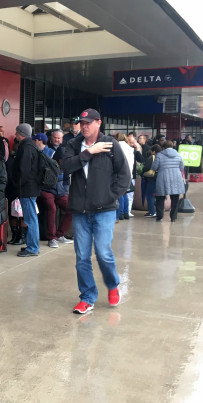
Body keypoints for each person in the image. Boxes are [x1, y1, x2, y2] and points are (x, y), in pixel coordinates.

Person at [62, 108, 130, 315]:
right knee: (82, 257)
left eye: (88, 123)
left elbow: (125, 175)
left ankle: (112, 284)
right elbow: (66, 167)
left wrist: (110, 197)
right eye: (81, 123)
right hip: (80, 211)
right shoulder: (73, 145)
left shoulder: (111, 145)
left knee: (103, 253)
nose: (84, 126)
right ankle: (87, 297)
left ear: (98, 123)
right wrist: (90, 151)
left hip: (104, 210)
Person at [36, 136, 72, 248]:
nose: (62, 162)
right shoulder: (48, 163)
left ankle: (60, 235)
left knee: (71, 209)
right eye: (61, 160)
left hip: (60, 192)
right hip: (47, 190)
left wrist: (65, 190)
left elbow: (67, 180)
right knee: (52, 209)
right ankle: (52, 238)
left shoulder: (65, 166)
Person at [10, 124, 39, 257]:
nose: (15, 135)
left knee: (30, 219)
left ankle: (32, 248)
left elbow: (24, 170)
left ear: (21, 133)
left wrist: (17, 184)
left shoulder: (26, 147)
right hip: (31, 187)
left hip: (27, 188)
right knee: (30, 218)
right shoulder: (31, 145)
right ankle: (31, 245)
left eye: (16, 132)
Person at [152, 140, 186, 223]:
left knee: (160, 197)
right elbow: (182, 167)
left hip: (163, 177)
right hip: (176, 178)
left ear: (163, 147)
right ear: (173, 146)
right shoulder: (178, 155)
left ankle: (160, 216)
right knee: (175, 198)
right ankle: (173, 217)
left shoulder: (159, 155)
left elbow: (154, 167)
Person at [115, 133, 135, 221]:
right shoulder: (130, 148)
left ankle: (120, 213)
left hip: (120, 173)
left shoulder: (117, 146)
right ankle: (126, 212)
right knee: (125, 194)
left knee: (120, 194)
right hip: (129, 173)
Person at [141, 144, 160, 217]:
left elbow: (147, 167)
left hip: (151, 178)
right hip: (158, 178)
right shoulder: (162, 157)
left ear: (154, 151)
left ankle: (152, 212)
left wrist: (143, 171)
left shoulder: (152, 157)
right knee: (156, 196)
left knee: (149, 195)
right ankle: (156, 211)